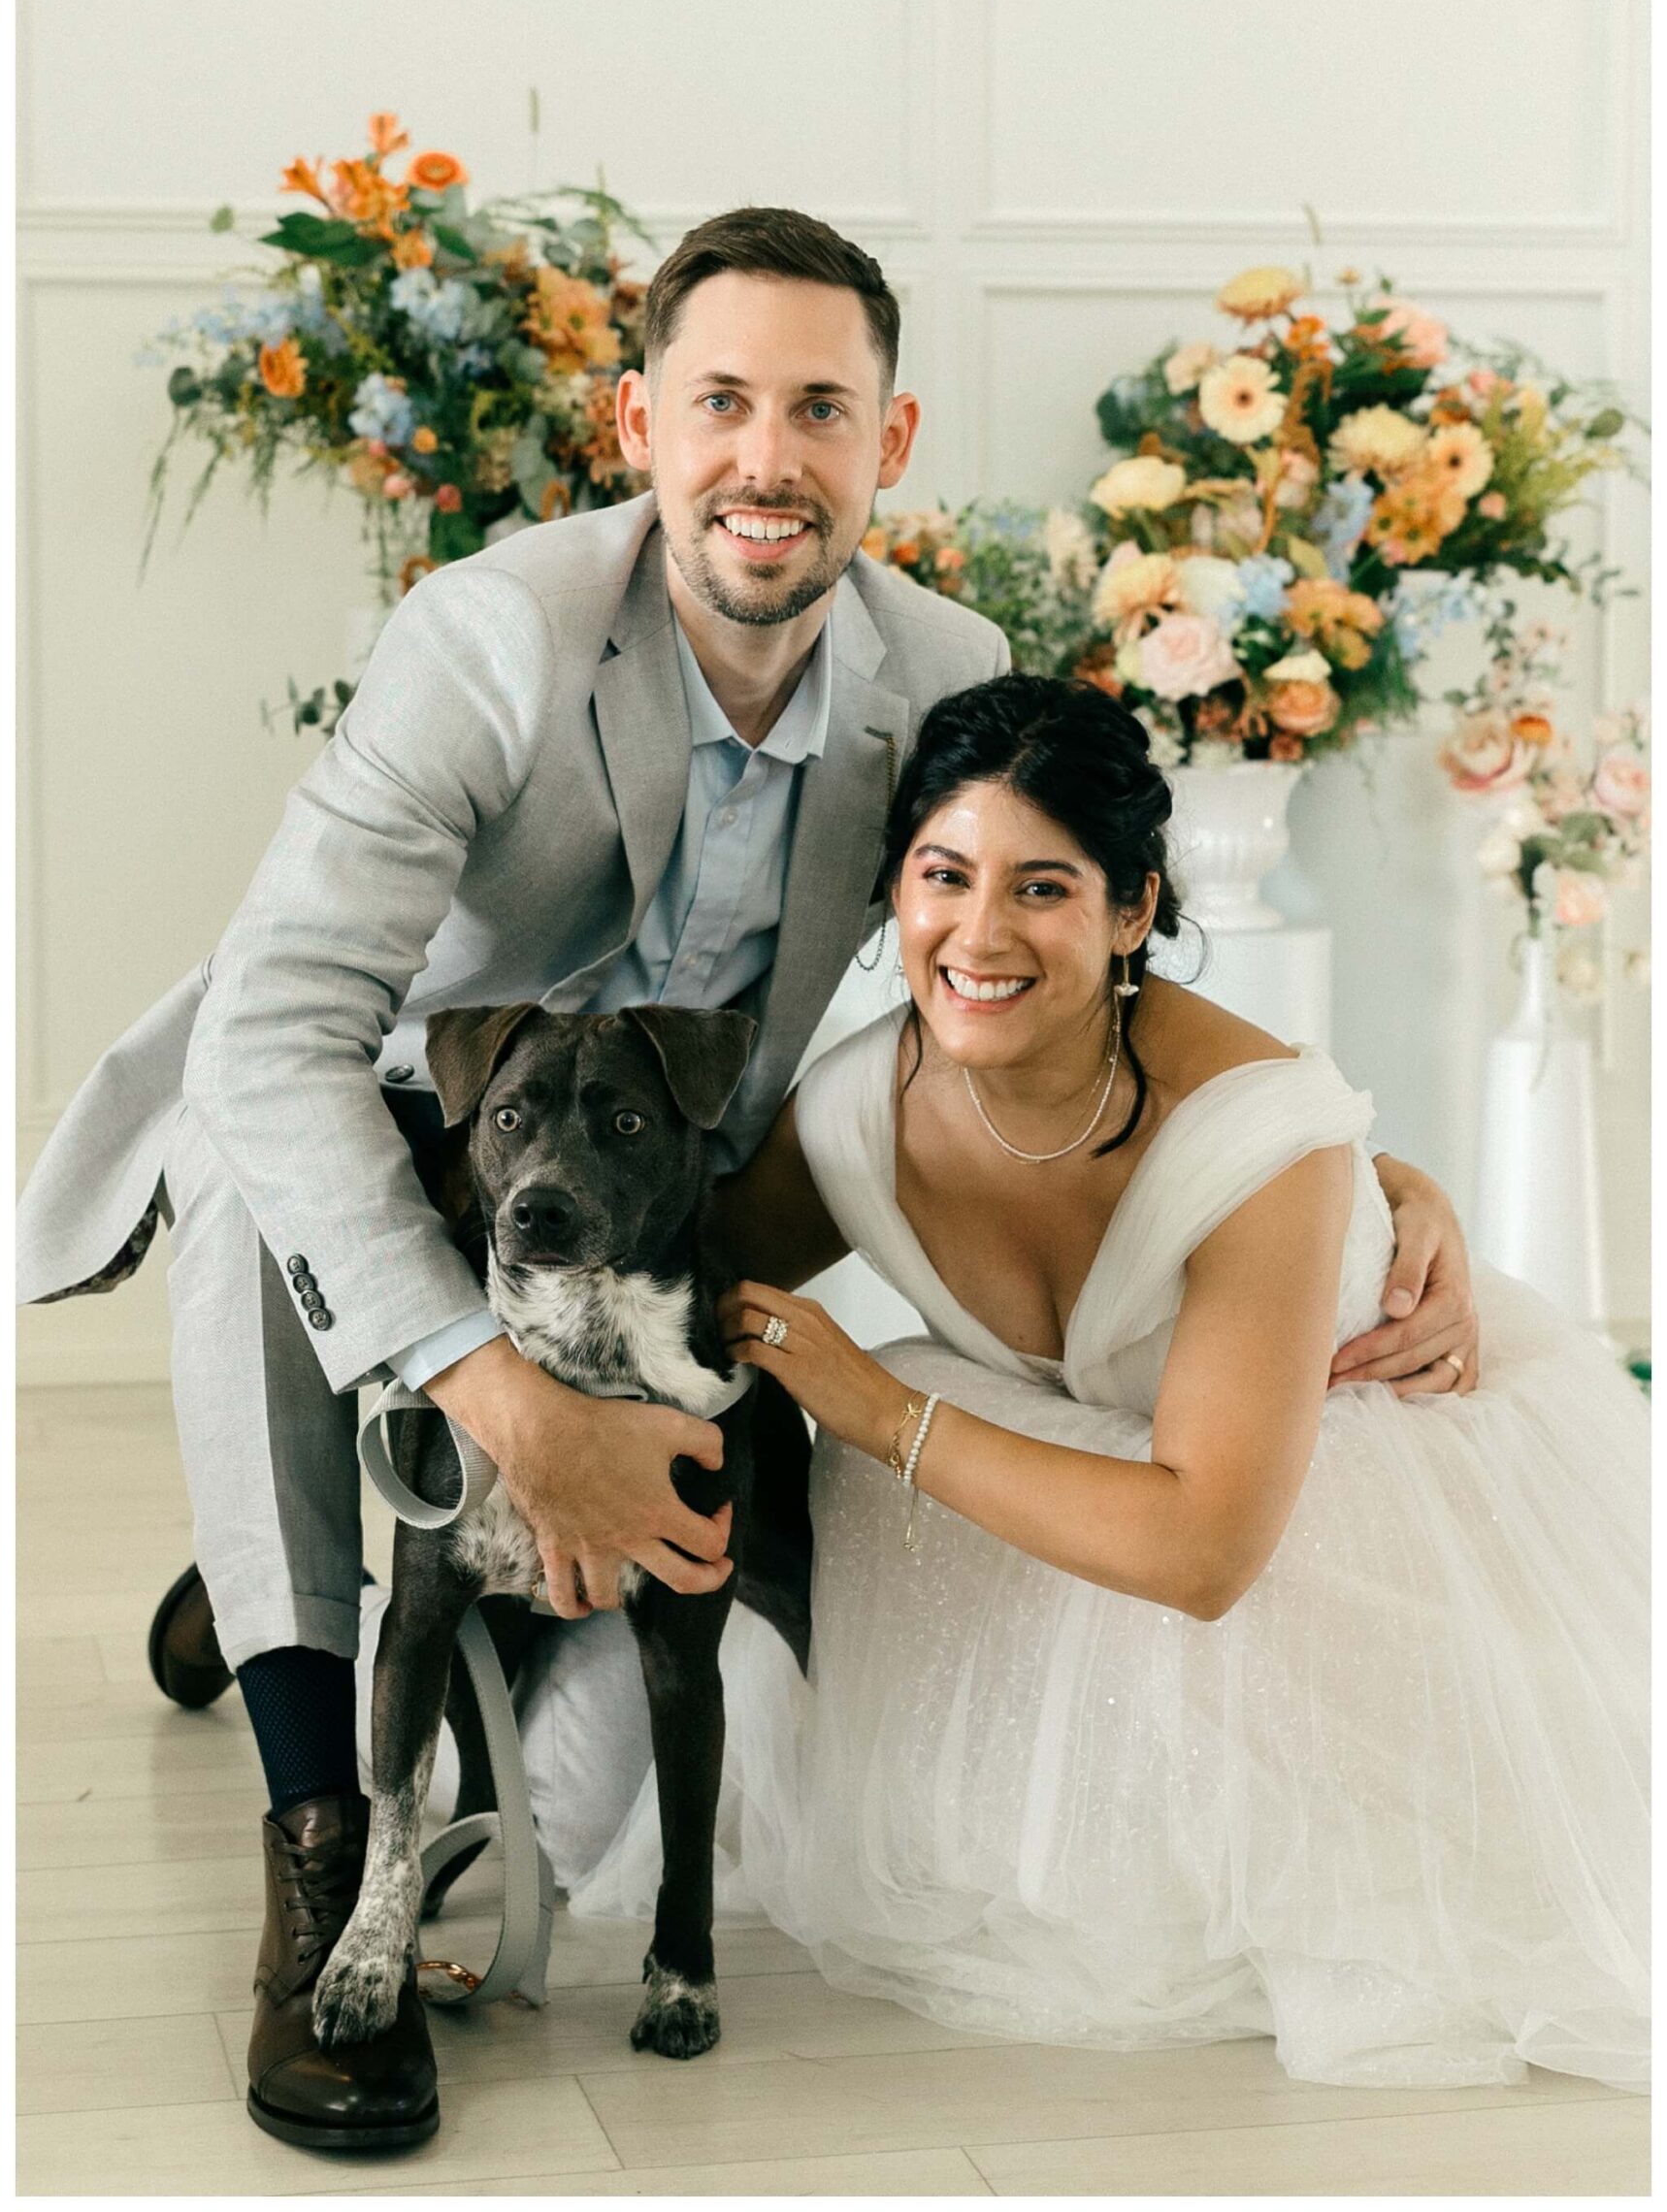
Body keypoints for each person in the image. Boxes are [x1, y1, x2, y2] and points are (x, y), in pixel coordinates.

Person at [18, 213, 1477, 2149]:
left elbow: (1047, 937)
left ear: (891, 440)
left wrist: (1339, 1163)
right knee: (242, 1160)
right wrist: (498, 1391)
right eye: (719, 401)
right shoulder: (490, 640)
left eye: (819, 407)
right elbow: (272, 1035)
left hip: (666, 1164)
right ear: (640, 420)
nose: (764, 454)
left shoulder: (936, 666)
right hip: (420, 1104)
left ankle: (291, 1510)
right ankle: (316, 1848)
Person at [559, 673, 1648, 2096]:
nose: (980, 933)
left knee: (1459, 1892)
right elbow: (665, 1277)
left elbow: (1201, 1554)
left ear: (1133, 911)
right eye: (942, 877)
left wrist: (875, 1410)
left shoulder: (1257, 1140)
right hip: (1105, 1470)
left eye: (1044, 889)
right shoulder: (850, 1110)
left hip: (1333, 1503)